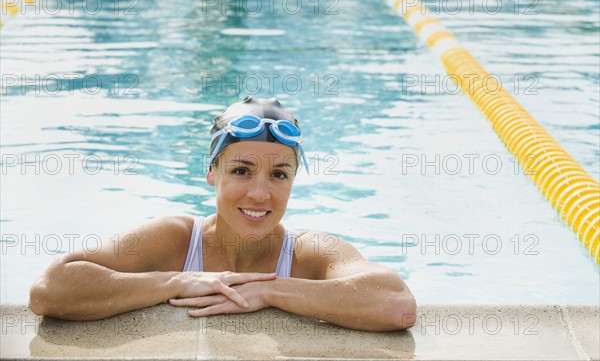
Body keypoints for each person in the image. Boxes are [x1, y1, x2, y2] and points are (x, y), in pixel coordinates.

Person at [29, 96, 416, 332]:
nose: (260, 193)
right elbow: (51, 290)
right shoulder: (176, 238)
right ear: (212, 174)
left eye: (279, 174)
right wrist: (178, 282)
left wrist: (268, 289)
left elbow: (396, 305)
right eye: (241, 171)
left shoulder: (308, 252)